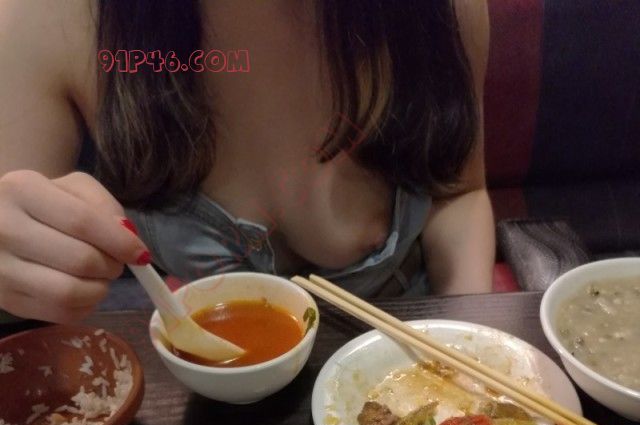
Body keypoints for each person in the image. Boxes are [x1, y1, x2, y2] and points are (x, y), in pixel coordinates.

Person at [0, 0, 494, 324]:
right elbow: (16, 243)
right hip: (214, 396)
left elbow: (460, 193)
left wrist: (470, 343)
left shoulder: (442, 9)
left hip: (408, 350)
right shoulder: (49, 18)